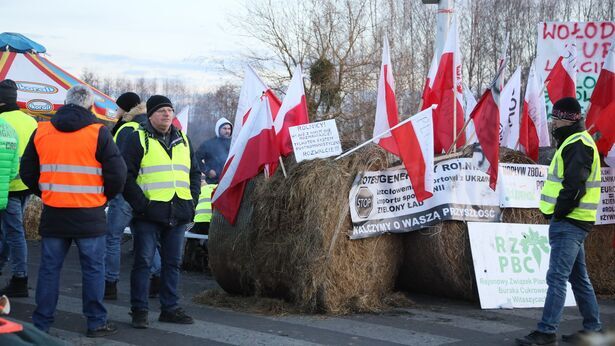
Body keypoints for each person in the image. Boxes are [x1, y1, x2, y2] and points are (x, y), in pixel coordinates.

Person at [20, 85, 126, 337]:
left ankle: (41, 324)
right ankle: (96, 322)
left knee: (49, 269)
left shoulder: (42, 130)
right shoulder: (98, 132)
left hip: (55, 212)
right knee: (93, 269)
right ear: (90, 106)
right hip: (89, 213)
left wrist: (47, 191)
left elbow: (27, 171)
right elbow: (118, 173)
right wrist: (102, 197)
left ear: (64, 103)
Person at [516, 97, 603, 346]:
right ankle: (593, 329)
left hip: (569, 222)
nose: (552, 123)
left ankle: (546, 331)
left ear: (566, 119)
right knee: (578, 278)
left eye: (555, 118)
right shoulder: (576, 142)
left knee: (556, 277)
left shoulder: (576, 144)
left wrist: (559, 213)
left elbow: (574, 185)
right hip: (574, 220)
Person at [121, 95, 200, 328]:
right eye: (161, 110)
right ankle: (139, 310)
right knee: (144, 262)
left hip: (178, 212)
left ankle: (170, 308)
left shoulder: (184, 140)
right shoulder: (138, 138)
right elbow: (125, 176)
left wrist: (192, 201)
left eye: (170, 110)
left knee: (173, 263)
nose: (167, 114)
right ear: (151, 115)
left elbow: (194, 173)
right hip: (148, 214)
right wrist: (141, 205)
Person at [104, 92, 162, 300]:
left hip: (126, 193)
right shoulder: (150, 128)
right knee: (144, 237)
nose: (116, 110)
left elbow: (115, 162)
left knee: (112, 237)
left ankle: (109, 283)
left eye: (118, 107)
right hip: (147, 191)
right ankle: (157, 277)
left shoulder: (126, 128)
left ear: (126, 108)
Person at [0, 80, 36, 298]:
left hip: (6, 186)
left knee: (13, 233)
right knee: (9, 231)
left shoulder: (2, 121)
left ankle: (20, 278)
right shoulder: (30, 121)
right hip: (26, 185)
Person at [195, 118, 232, 183]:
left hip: (230, 181)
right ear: (218, 129)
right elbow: (195, 158)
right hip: (214, 182)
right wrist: (207, 171)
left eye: (229, 129)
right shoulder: (208, 144)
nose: (227, 131)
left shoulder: (234, 144)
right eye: (224, 128)